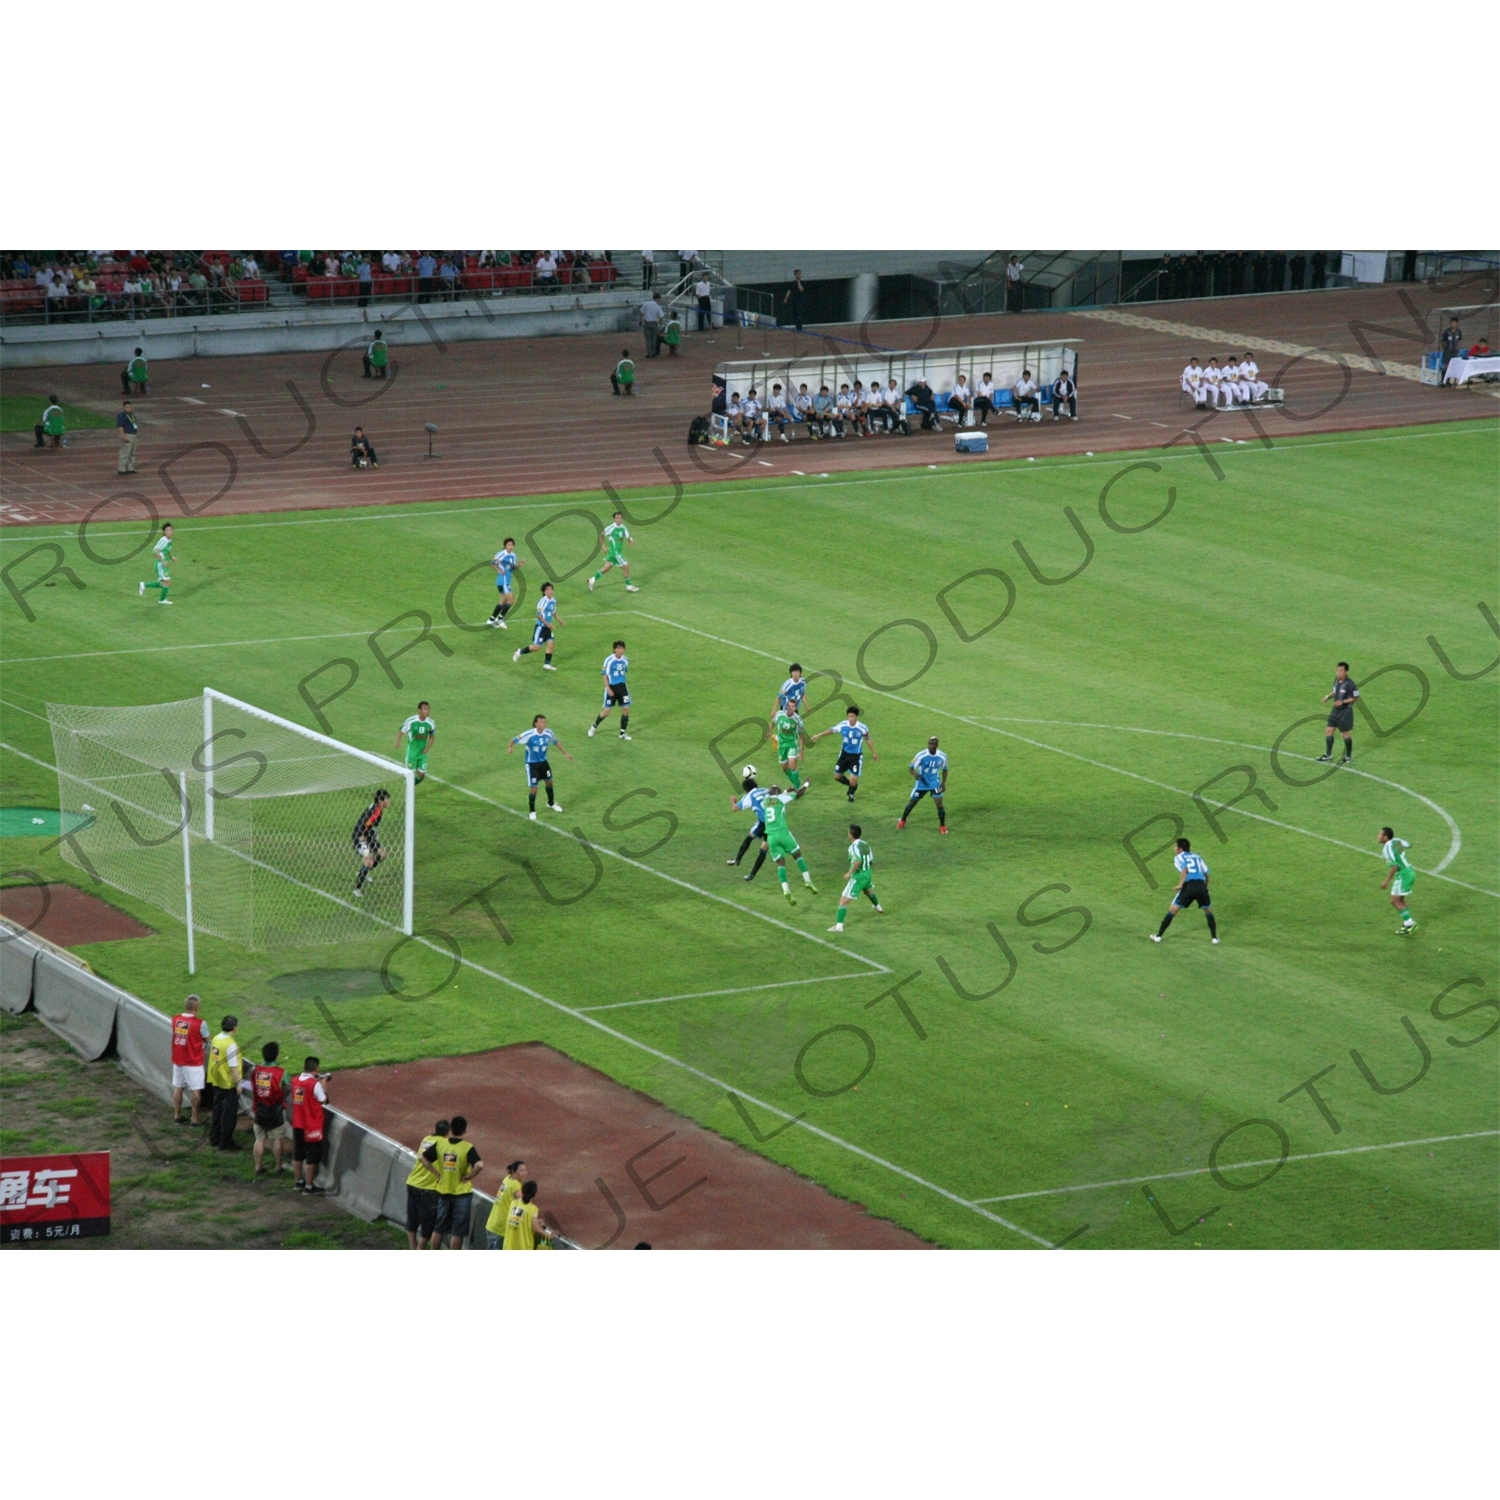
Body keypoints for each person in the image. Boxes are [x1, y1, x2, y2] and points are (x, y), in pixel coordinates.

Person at [426, 1116, 483, 1248]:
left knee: (439, 1228)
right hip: (462, 1193)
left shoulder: (441, 1144)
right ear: (465, 1130)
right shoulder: (467, 1147)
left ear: (451, 1129)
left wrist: (435, 1172)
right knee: (457, 1232)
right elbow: (479, 1165)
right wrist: (469, 1176)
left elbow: (424, 1159)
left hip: (443, 1190)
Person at [1150, 838, 1218, 944]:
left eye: (1176, 846)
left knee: (1172, 910)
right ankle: (1214, 938)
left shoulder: (1179, 857)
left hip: (1189, 887)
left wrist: (1181, 885)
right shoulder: (1197, 856)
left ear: (1180, 849)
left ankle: (1158, 936)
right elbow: (1207, 873)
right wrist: (1206, 888)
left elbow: (1184, 870)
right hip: (1201, 886)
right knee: (1208, 911)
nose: (1174, 848)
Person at [507, 713, 572, 819]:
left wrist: (565, 753)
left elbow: (556, 742)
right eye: (541, 722)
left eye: (545, 722)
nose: (544, 724)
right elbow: (514, 739)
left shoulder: (549, 733)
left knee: (550, 782)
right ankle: (532, 811)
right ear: (536, 724)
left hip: (543, 762)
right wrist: (510, 747)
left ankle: (551, 803)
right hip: (532, 764)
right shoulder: (529, 734)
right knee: (534, 788)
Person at [760, 783, 817, 904]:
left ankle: (786, 890)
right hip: (783, 834)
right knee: (797, 855)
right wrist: (806, 784)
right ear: (778, 793)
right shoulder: (780, 799)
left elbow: (777, 797)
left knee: (780, 863)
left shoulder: (765, 801)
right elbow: (798, 794)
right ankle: (807, 881)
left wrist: (785, 791)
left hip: (771, 837)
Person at [812, 706, 877, 802]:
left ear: (856, 717)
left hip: (856, 756)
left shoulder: (862, 728)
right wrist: (819, 735)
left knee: (853, 779)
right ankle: (852, 785)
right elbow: (832, 730)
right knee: (837, 776)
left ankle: (851, 793)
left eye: (852, 716)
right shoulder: (843, 725)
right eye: (849, 716)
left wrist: (873, 753)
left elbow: (868, 739)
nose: (850, 719)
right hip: (844, 755)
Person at [828, 824, 883, 933]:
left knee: (843, 901)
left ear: (851, 835)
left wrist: (849, 873)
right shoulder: (865, 844)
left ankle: (838, 927)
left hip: (858, 877)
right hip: (868, 874)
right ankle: (878, 906)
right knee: (867, 891)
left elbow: (857, 861)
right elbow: (871, 860)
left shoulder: (853, 847)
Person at [250, 1042, 292, 1178]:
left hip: (260, 1109)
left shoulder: (255, 1071)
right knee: (277, 1139)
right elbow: (286, 1087)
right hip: (276, 1111)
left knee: (259, 1138)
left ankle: (258, 1166)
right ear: (277, 1055)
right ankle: (278, 1167)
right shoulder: (281, 1072)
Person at [406, 1119, 450, 1249]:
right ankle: (420, 1248)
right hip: (428, 1188)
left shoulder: (426, 1139)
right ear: (447, 1132)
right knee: (429, 1223)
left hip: (412, 1182)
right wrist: (437, 1174)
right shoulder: (444, 1143)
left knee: (412, 1219)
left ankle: (413, 1248)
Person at [206, 1015, 246, 1150]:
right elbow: (233, 1067)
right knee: (228, 1115)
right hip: (228, 1084)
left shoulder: (216, 1038)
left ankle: (214, 1137)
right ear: (235, 1028)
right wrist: (238, 1085)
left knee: (217, 1111)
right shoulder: (231, 1045)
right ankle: (225, 1141)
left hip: (216, 1080)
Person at [289, 1058, 329, 1193]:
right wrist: (323, 1085)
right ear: (316, 1069)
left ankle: (298, 1182)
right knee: (312, 1156)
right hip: (311, 1125)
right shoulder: (314, 1084)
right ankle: (309, 1186)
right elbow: (323, 1100)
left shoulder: (295, 1081)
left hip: (297, 1123)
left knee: (298, 1154)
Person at [170, 994, 209, 1126]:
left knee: (178, 1086)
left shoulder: (175, 1019)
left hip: (178, 1059)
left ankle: (177, 1116)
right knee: (195, 1089)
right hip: (193, 1061)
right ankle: (195, 1119)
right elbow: (207, 1039)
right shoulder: (200, 1023)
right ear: (197, 1007)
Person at [898, 736, 948, 833]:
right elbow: (911, 768)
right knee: (912, 802)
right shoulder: (921, 755)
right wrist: (915, 774)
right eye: (929, 743)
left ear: (936, 745)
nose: (930, 746)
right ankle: (903, 820)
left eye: (932, 744)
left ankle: (942, 826)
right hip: (922, 783)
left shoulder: (942, 756)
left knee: (939, 804)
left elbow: (945, 769)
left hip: (934, 783)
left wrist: (943, 783)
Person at [728, 771, 770, 882]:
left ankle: (751, 874)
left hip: (769, 824)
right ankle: (737, 860)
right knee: (751, 836)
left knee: (763, 847)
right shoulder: (765, 790)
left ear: (746, 789)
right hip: (771, 820)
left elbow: (735, 808)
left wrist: (733, 801)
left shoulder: (749, 796)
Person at [512, 581, 563, 670]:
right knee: (537, 647)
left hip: (547, 628)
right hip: (541, 627)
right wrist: (548, 624)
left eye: (551, 589)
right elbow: (538, 615)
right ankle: (519, 652)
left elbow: (553, 612)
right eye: (548, 590)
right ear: (544, 592)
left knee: (551, 644)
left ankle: (547, 664)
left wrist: (560, 620)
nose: (550, 591)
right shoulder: (542, 601)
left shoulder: (553, 600)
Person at [1378, 826, 1418, 935]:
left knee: (1394, 900)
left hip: (1403, 875)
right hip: (1410, 872)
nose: (1378, 836)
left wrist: (1386, 881)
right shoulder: (1396, 841)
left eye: (1380, 834)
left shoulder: (1386, 848)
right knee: (1400, 900)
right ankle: (1407, 924)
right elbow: (1409, 845)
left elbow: (1394, 866)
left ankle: (1409, 922)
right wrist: (1398, 849)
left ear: (1385, 837)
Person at [1317, 661, 1358, 765]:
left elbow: (1356, 697)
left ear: (1346, 672)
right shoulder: (1336, 681)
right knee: (1329, 730)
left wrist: (1342, 701)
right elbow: (1335, 692)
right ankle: (1328, 754)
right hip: (1335, 710)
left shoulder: (1350, 684)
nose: (1338, 672)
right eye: (1337, 670)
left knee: (1345, 734)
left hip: (1345, 712)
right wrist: (1327, 697)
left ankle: (1348, 756)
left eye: (1341, 670)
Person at [590, 640, 633, 739]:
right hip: (611, 687)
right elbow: (604, 675)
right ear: (614, 649)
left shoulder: (625, 660)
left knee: (626, 709)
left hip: (622, 687)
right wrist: (608, 689)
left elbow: (624, 672)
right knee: (607, 711)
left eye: (622, 648)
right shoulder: (609, 660)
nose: (621, 650)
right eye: (618, 648)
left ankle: (622, 733)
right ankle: (593, 727)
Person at [352, 788, 390, 893]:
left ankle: (363, 872)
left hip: (369, 836)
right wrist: (364, 845)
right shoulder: (375, 813)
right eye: (387, 799)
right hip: (360, 837)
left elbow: (369, 826)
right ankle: (357, 889)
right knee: (369, 862)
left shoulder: (378, 809)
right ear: (381, 801)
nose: (389, 801)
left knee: (382, 855)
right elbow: (364, 826)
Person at [591, 511, 639, 592]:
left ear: (622, 519)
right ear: (614, 519)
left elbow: (627, 536)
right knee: (626, 567)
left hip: (613, 553)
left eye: (620, 518)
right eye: (617, 518)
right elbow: (601, 535)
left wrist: (630, 540)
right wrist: (603, 547)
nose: (619, 520)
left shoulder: (623, 527)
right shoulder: (611, 528)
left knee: (607, 568)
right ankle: (629, 586)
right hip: (616, 553)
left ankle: (592, 580)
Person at [502, 1180, 556, 1249]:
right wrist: (548, 1235)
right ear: (534, 1195)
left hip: (508, 1246)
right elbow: (535, 1228)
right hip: (523, 1247)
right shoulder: (533, 1209)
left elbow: (520, 1219)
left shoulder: (513, 1203)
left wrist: (535, 1221)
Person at [485, 1160, 526, 1248]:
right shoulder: (515, 1185)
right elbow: (524, 1203)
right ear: (514, 1171)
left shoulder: (507, 1179)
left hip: (492, 1223)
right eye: (521, 1171)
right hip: (500, 1227)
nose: (524, 1173)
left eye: (525, 1170)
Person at [396, 701, 436, 784]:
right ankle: (409, 792)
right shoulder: (411, 721)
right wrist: (398, 741)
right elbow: (401, 730)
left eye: (428, 709)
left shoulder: (431, 723)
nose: (427, 711)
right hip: (412, 753)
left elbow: (432, 737)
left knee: (421, 775)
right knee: (410, 774)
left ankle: (409, 786)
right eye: (425, 709)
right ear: (419, 710)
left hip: (423, 753)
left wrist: (427, 747)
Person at [768, 704, 806, 789]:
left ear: (796, 708)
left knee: (792, 764)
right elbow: (772, 723)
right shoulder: (779, 714)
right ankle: (796, 784)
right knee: (784, 768)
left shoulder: (797, 720)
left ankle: (797, 787)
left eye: (793, 706)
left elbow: (802, 736)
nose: (790, 708)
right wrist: (768, 732)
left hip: (792, 744)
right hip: (781, 745)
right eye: (789, 705)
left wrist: (801, 751)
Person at [488, 537, 521, 628]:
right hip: (503, 581)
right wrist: (498, 570)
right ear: (505, 546)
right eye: (508, 545)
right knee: (511, 601)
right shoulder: (501, 554)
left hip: (506, 581)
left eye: (511, 545)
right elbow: (492, 562)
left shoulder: (513, 556)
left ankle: (491, 619)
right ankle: (500, 619)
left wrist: (518, 566)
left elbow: (512, 568)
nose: (510, 546)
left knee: (502, 602)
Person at [138, 522, 174, 605]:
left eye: (171, 530)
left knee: (163, 583)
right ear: (164, 532)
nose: (169, 531)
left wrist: (171, 558)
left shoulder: (169, 540)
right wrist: (163, 561)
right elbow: (154, 552)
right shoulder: (163, 541)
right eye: (167, 530)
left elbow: (166, 551)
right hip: (160, 564)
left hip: (163, 564)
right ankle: (162, 600)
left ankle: (144, 585)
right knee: (167, 582)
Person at [116, 400, 140, 473]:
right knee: (125, 452)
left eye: (130, 407)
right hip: (127, 434)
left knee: (132, 452)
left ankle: (130, 467)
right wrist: (123, 436)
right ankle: (122, 468)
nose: (129, 408)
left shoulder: (131, 414)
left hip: (133, 434)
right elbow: (120, 426)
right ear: (124, 407)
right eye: (127, 407)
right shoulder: (121, 416)